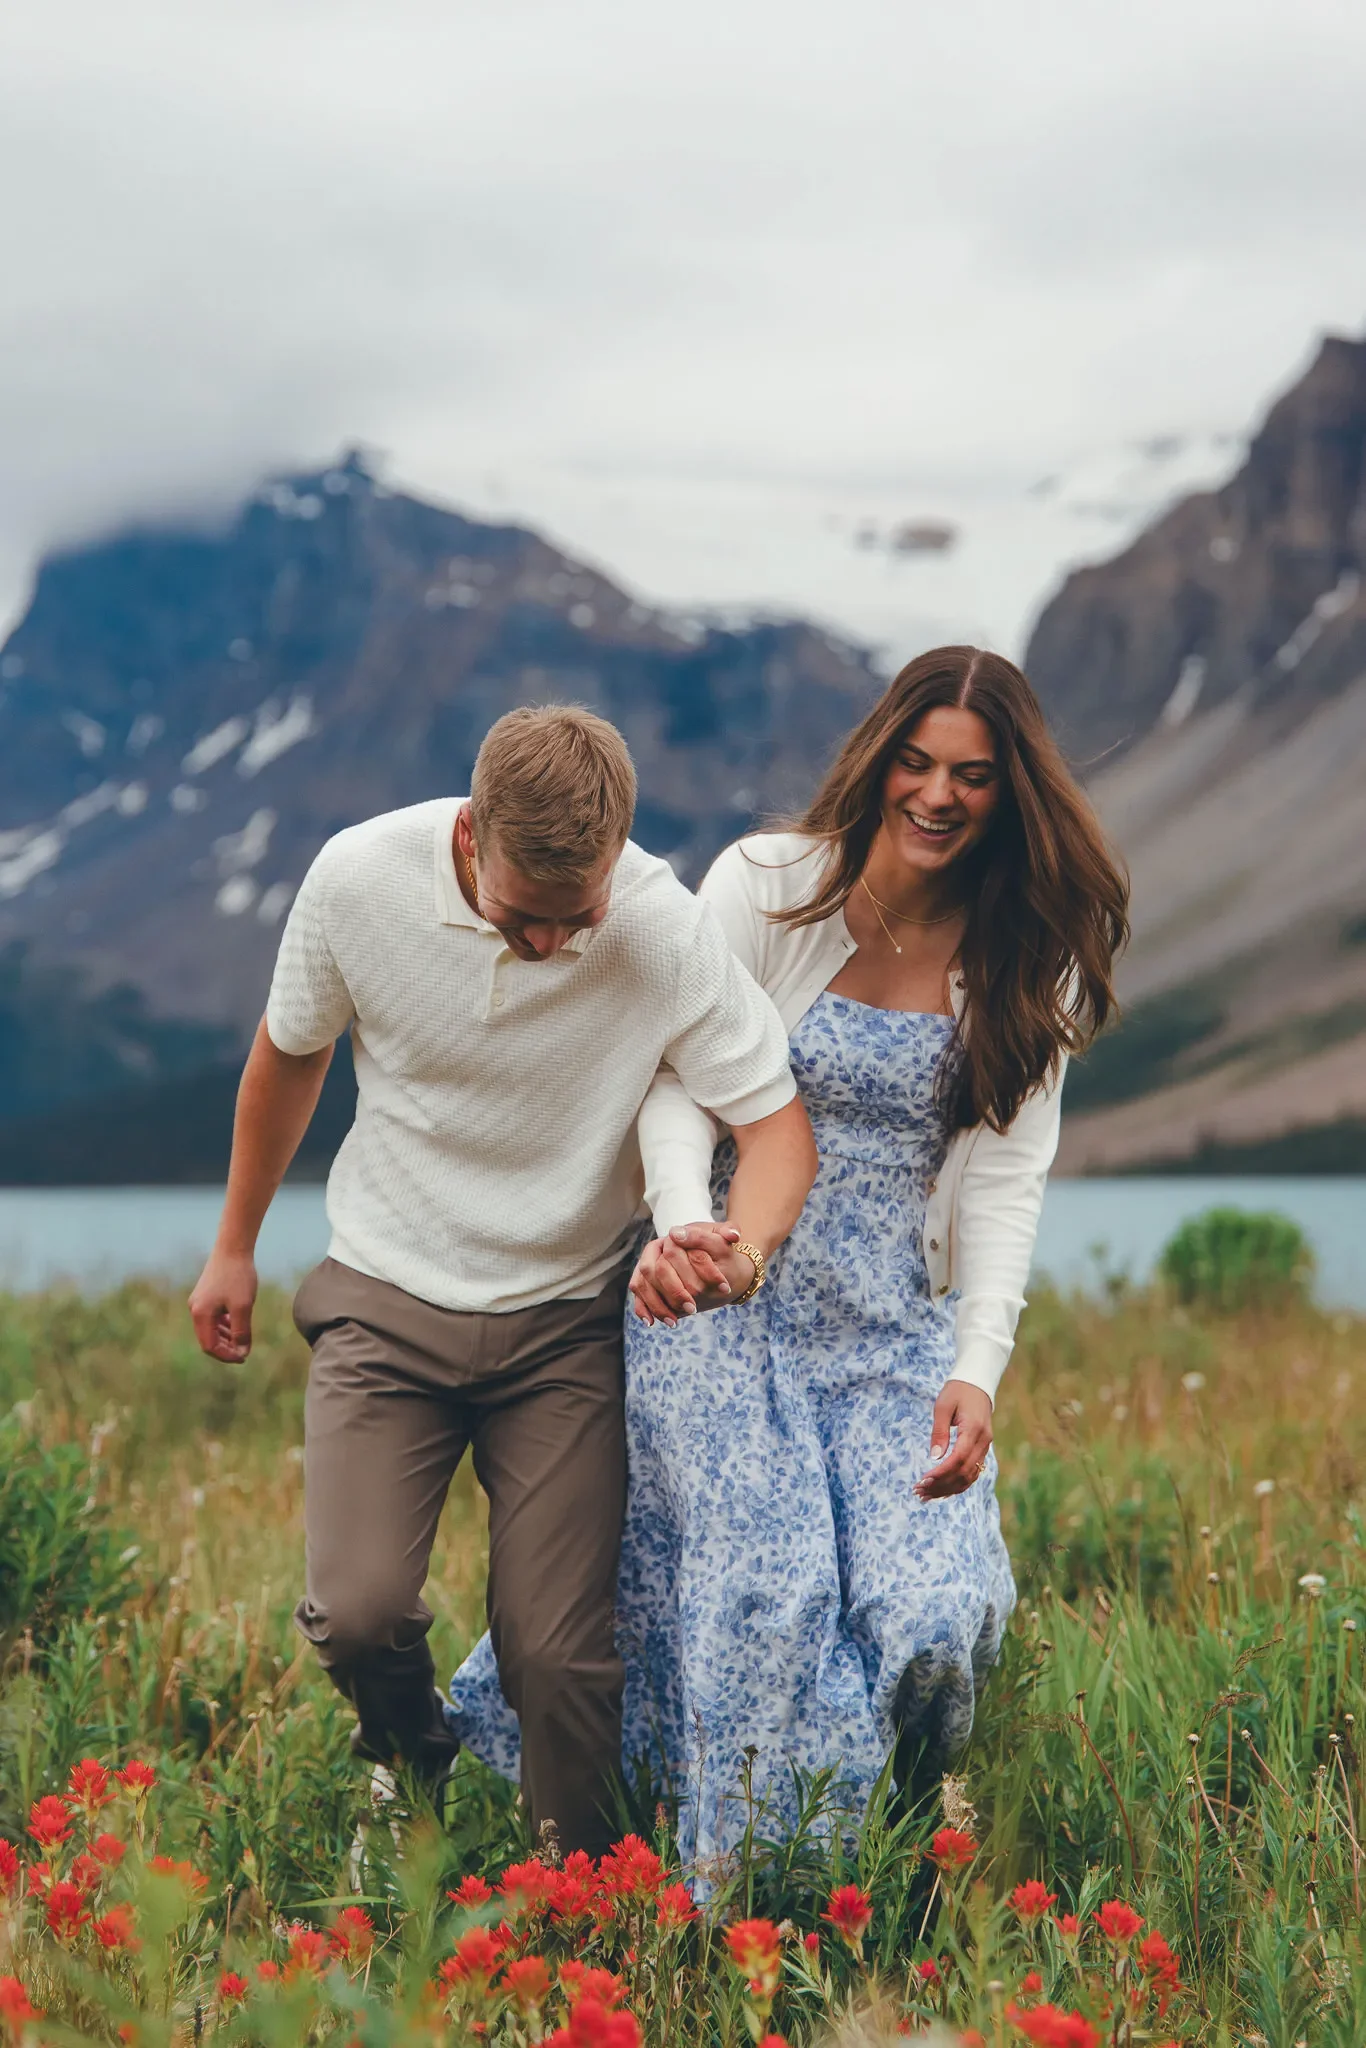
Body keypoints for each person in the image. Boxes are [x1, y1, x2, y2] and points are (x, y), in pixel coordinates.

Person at [448, 647, 1127, 1871]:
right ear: (877, 762)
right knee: (764, 1594)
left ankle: (885, 1847)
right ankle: (724, 1893)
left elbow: (1007, 1180)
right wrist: (681, 1228)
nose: (936, 793)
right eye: (914, 762)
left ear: (1010, 790)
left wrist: (976, 1367)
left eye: (971, 774)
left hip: (887, 1326)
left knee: (933, 1614)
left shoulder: (1035, 956)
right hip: (719, 1294)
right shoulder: (767, 887)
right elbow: (674, 1079)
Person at [188, 704, 817, 1859]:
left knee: (557, 1658)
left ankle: (578, 1907)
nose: (551, 944)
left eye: (578, 918)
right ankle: (414, 1760)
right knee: (358, 1613)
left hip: (565, 1325)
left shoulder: (658, 924)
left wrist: (742, 1253)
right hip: (383, 1295)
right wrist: (235, 1244)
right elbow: (289, 1052)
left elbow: (774, 1122)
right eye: (524, 917)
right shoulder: (358, 878)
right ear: (471, 834)